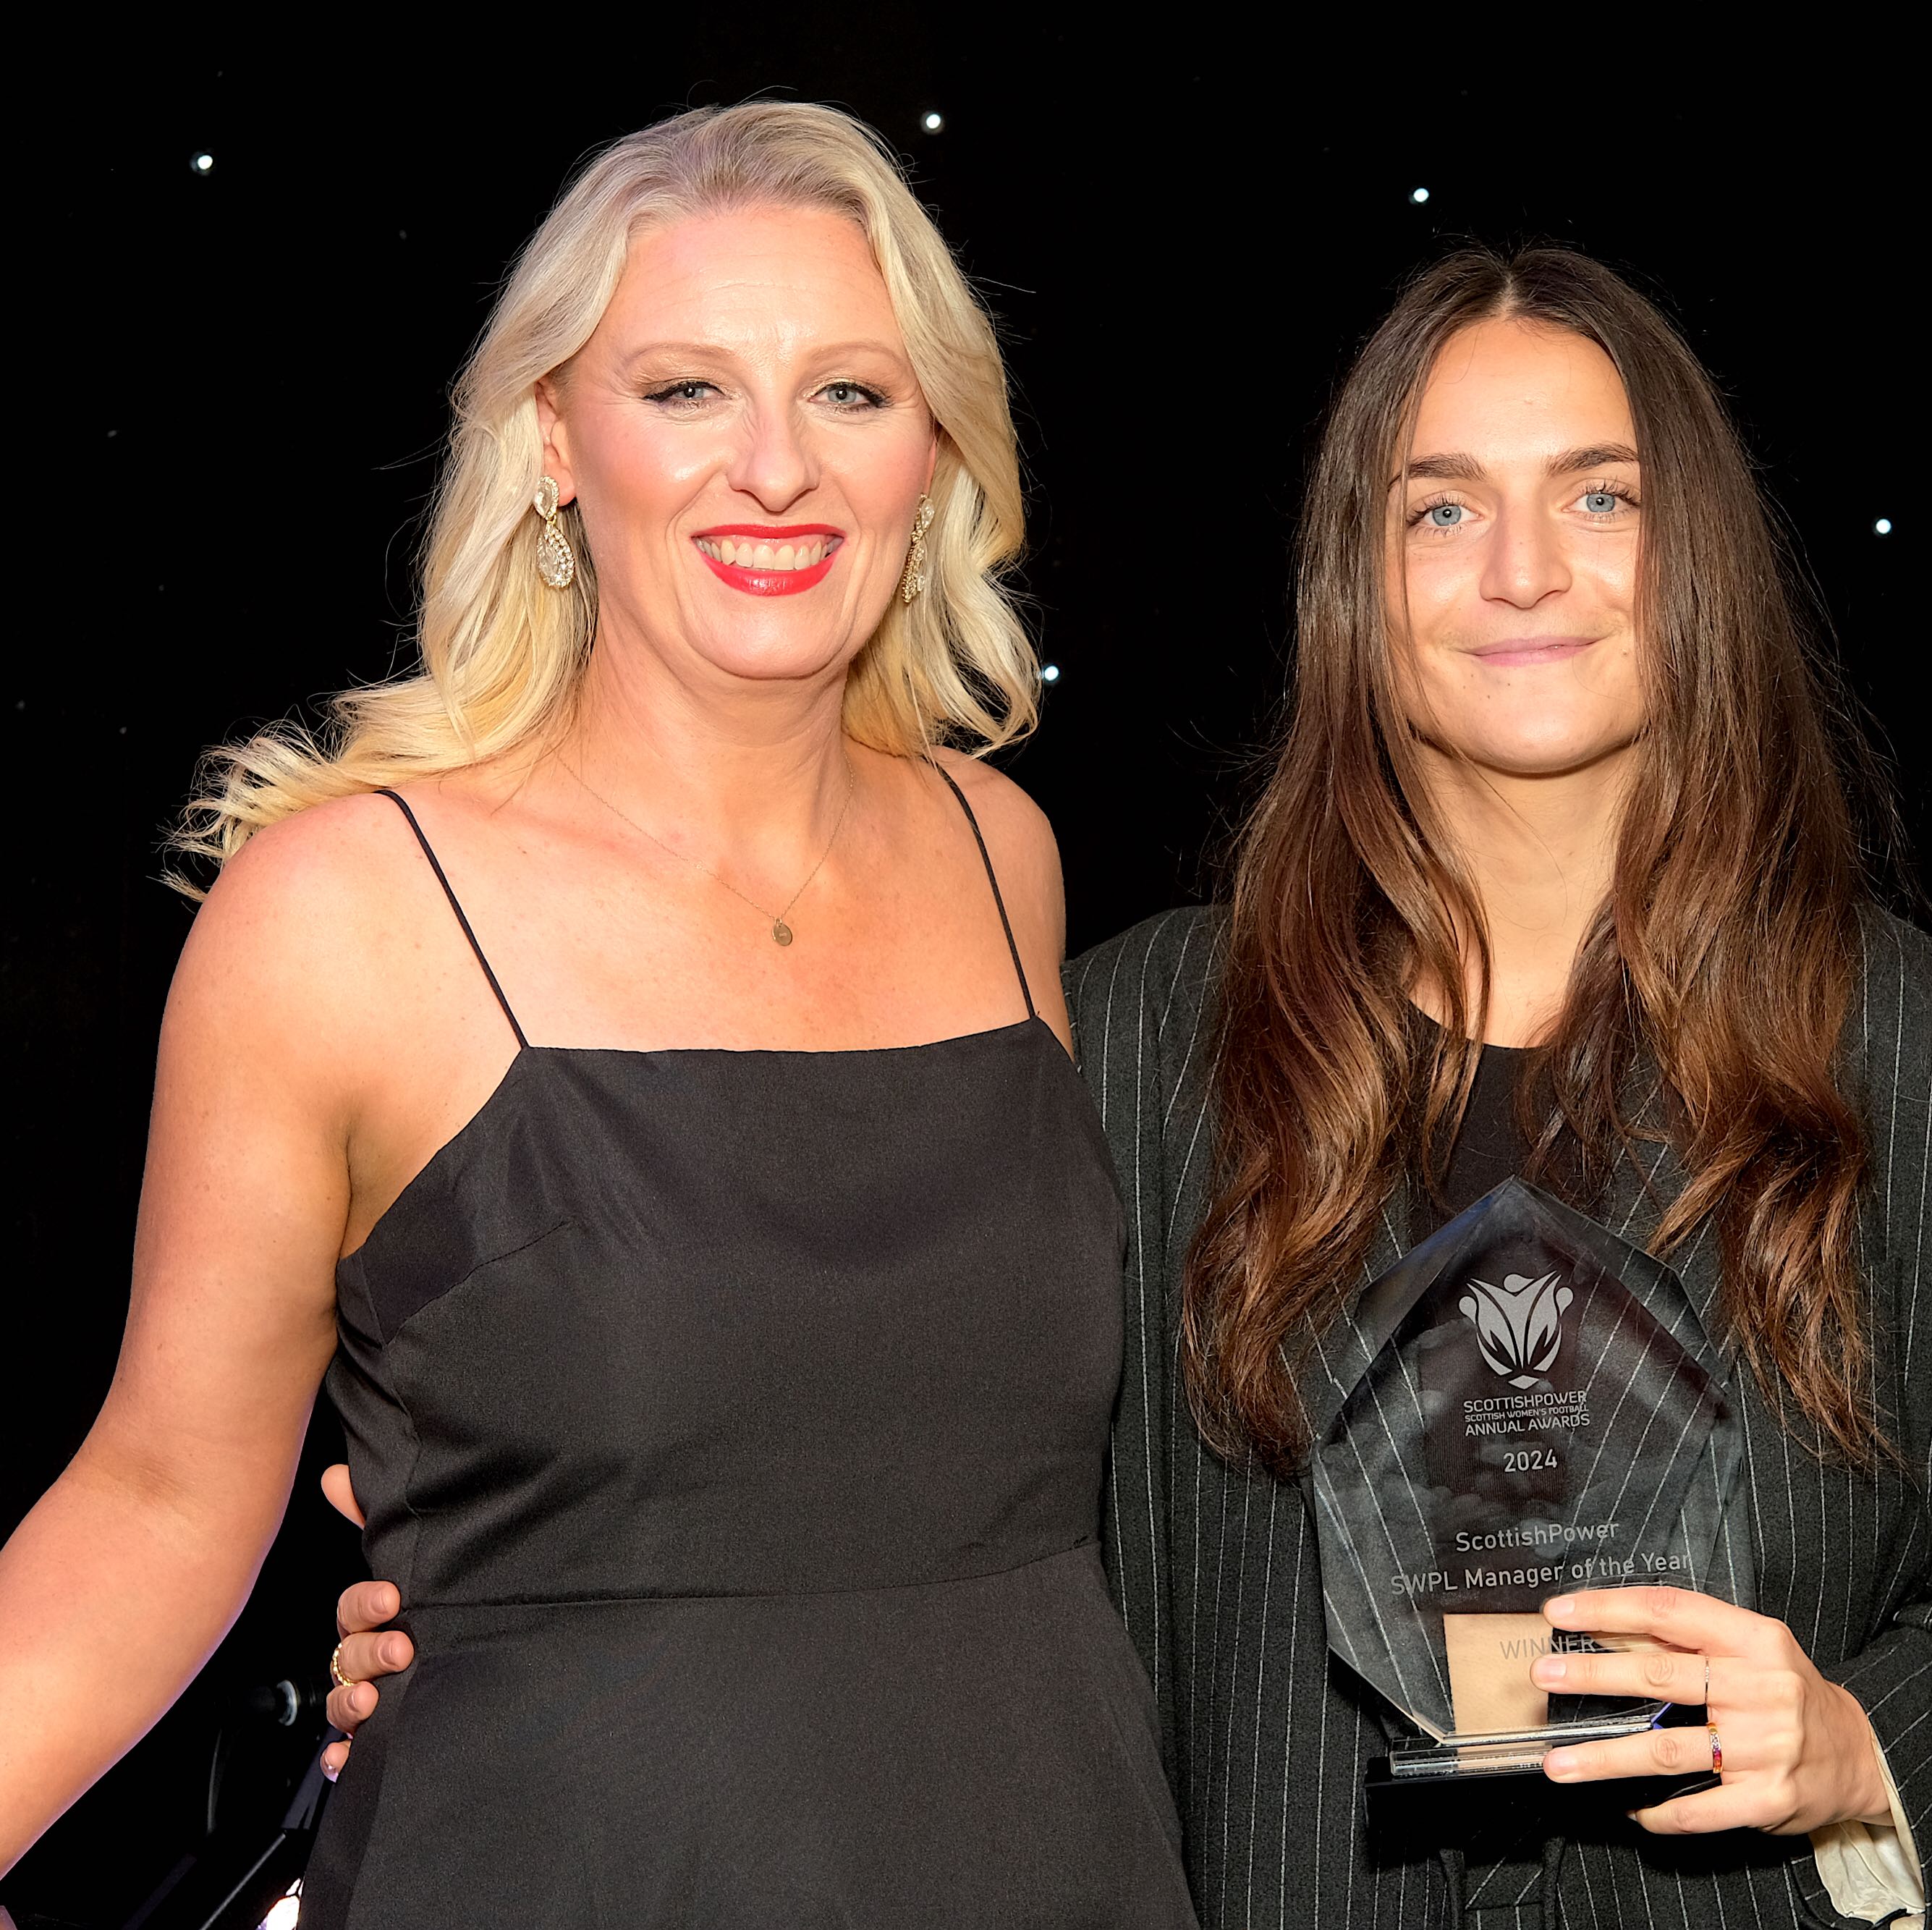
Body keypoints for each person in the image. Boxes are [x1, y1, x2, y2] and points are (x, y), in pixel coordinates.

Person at [334, 246, 1932, 1925]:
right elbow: (912, 1471)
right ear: (1356, 573)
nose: (1518, 570)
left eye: (1599, 496)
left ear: (1696, 551)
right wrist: (521, 1602)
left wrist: (1860, 1746)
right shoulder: (1129, 1041)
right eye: (1438, 506)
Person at [0, 103, 1193, 1927]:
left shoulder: (999, 851)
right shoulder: (345, 910)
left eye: (851, 393)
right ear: (554, 438)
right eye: (685, 389)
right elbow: (158, 1502)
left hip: (1050, 1859)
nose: (775, 468)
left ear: (932, 445)